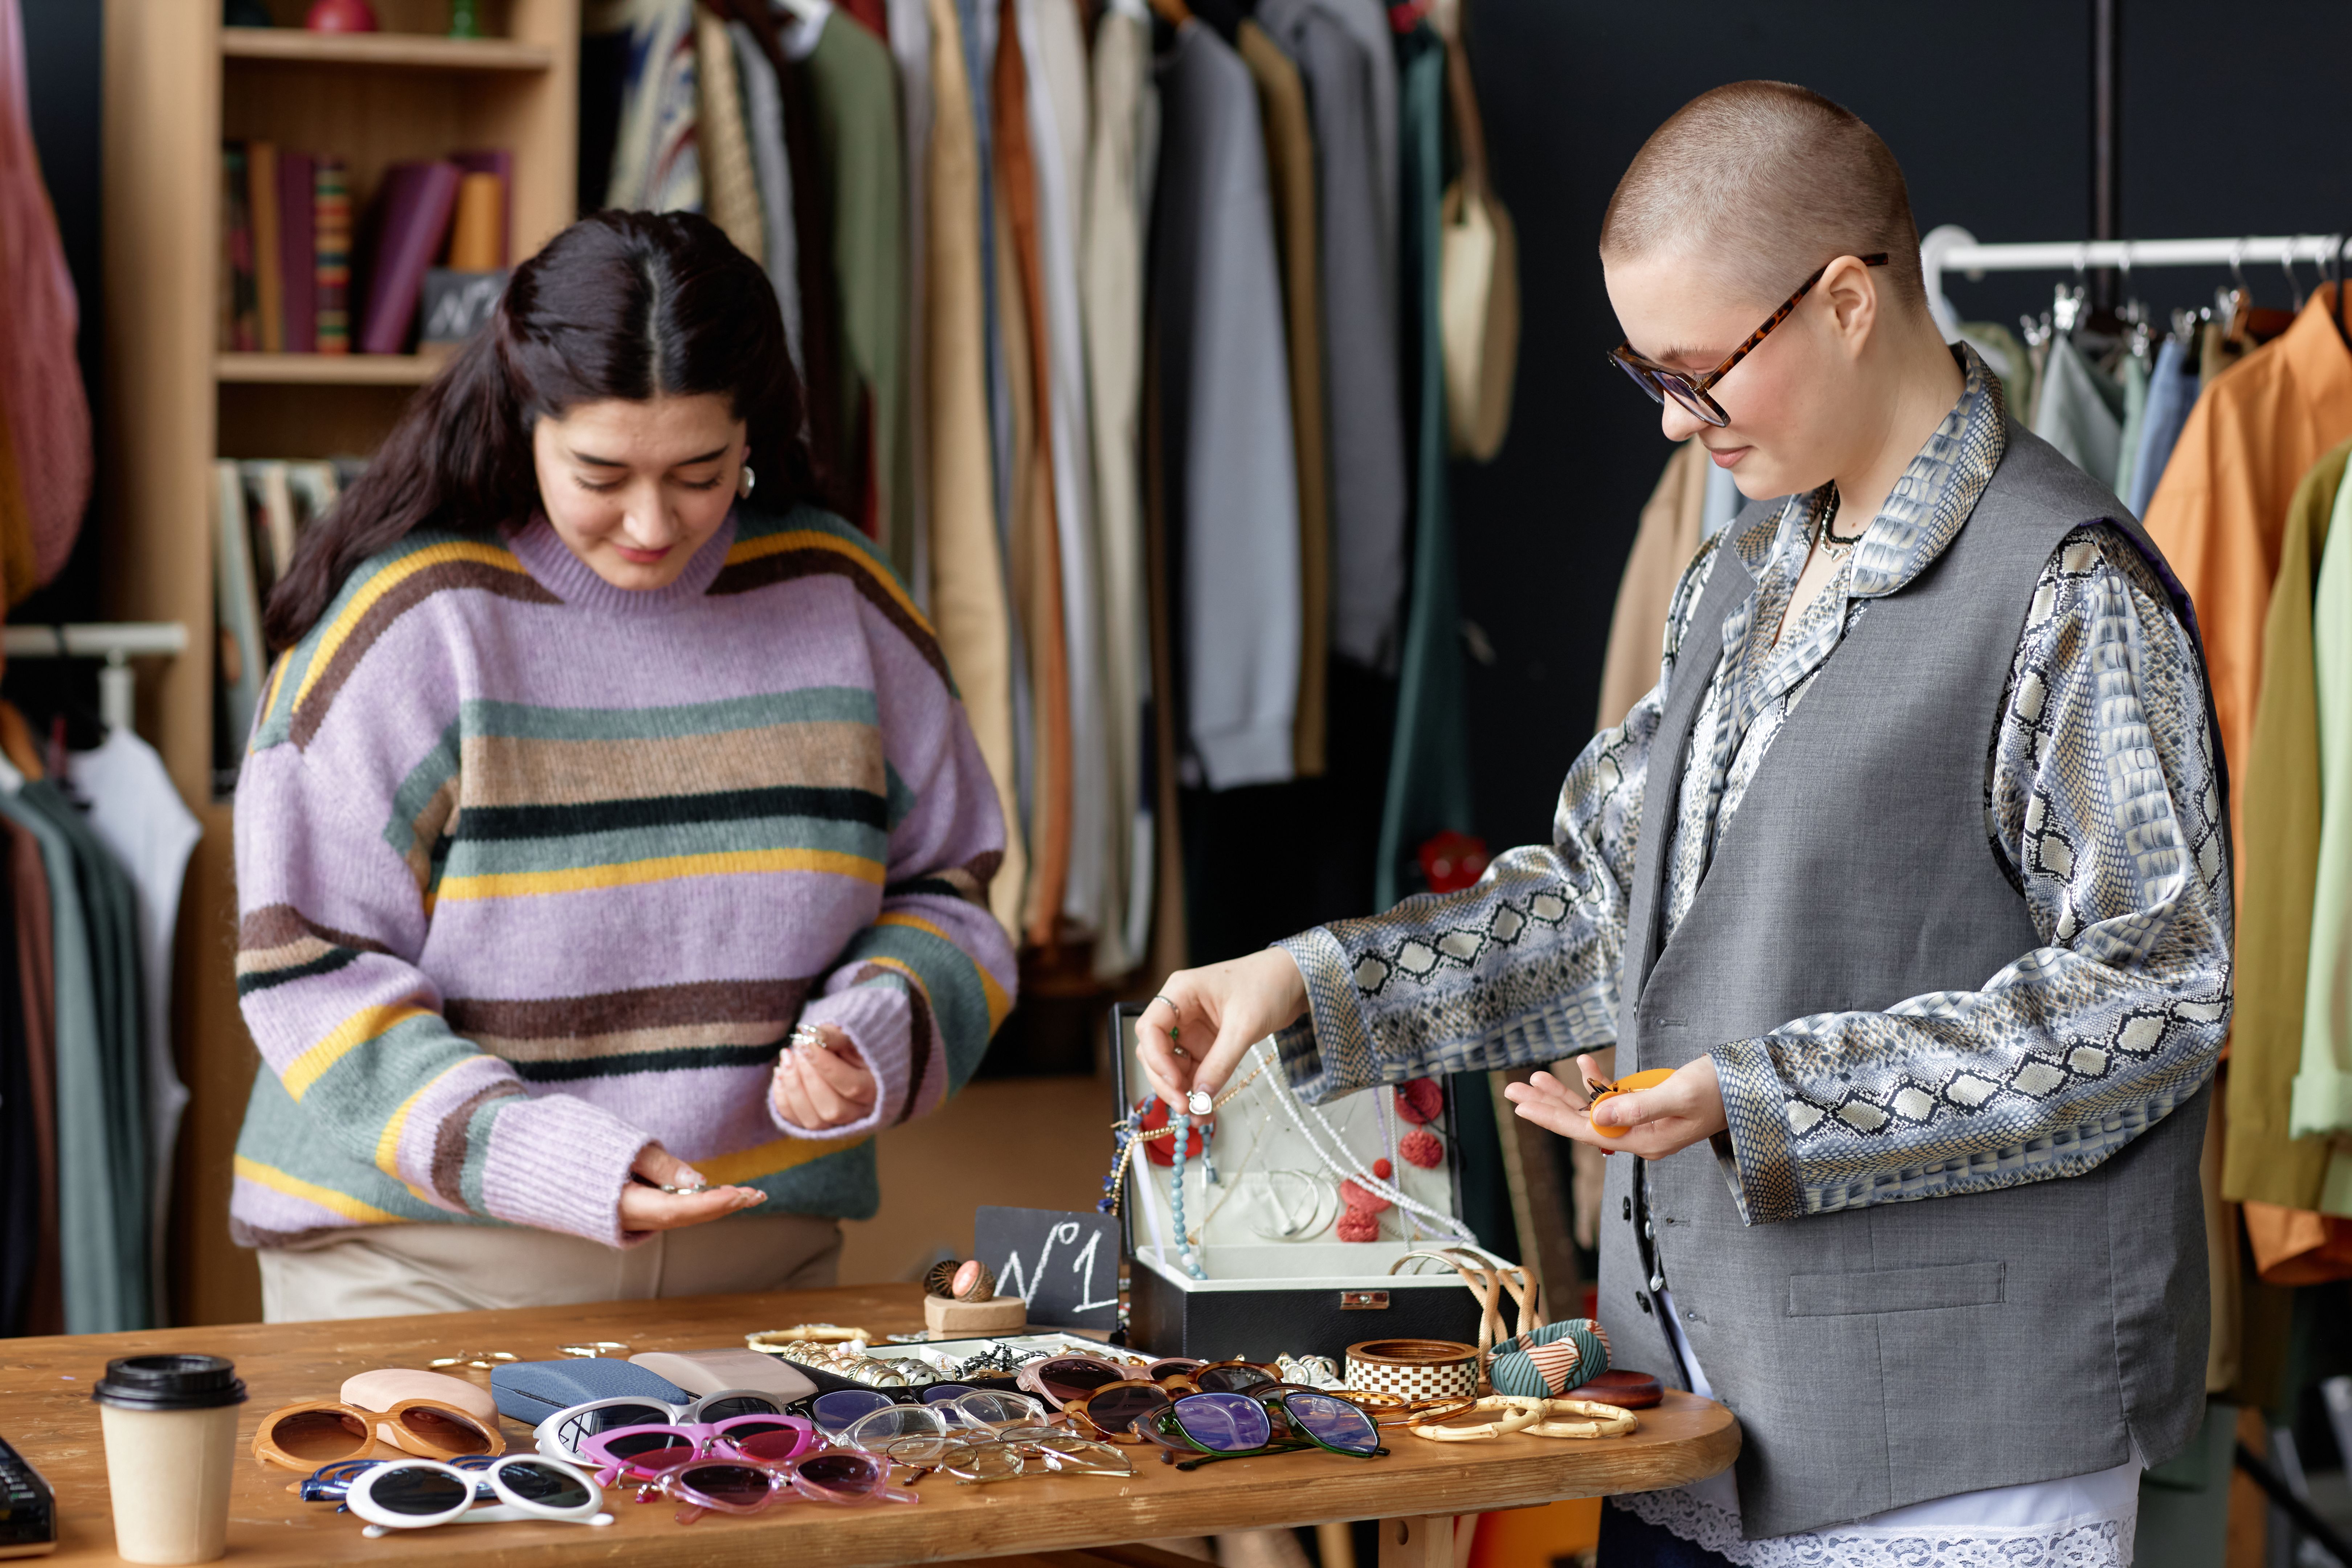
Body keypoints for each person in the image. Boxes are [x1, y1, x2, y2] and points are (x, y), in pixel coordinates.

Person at [1138, 83, 2228, 1568]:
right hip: (1696, 1411)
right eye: (1644, 372)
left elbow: (2155, 997)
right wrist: (1301, 981)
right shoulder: (1744, 566)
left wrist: (1764, 1094)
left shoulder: (2069, 589)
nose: (1671, 417)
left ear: (1846, 299)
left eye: (1699, 372)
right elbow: (1604, 907)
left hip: (1964, 1457)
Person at [231, 211, 1016, 1321]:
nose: (652, 524)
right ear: (525, 421)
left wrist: (880, 1024)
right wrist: (541, 1157)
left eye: (700, 472)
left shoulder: (840, 599)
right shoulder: (417, 624)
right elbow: (311, 967)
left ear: (754, 434)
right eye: (600, 473)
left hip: (761, 1263)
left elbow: (954, 888)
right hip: (419, 1264)